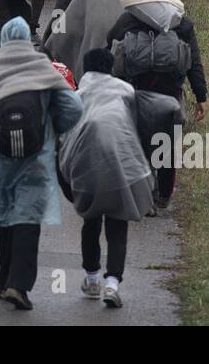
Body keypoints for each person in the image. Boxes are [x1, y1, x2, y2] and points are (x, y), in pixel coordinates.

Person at [0, 16, 82, 310]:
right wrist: (53, 127)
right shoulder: (42, 68)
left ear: (4, 38)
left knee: (3, 215)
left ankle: (4, 280)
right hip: (36, 157)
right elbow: (73, 108)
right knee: (28, 218)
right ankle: (18, 285)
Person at [57, 47, 153, 307]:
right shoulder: (127, 92)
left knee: (90, 223)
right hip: (123, 168)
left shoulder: (76, 97)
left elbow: (63, 141)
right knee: (118, 225)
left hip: (86, 170)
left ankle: (91, 278)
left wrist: (69, 186)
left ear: (86, 69)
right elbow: (141, 129)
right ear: (111, 68)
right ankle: (113, 284)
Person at [107, 0, 207, 209]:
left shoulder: (131, 17)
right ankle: (162, 194)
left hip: (137, 87)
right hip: (170, 90)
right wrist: (201, 96)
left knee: (138, 137)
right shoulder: (182, 22)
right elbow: (193, 59)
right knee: (166, 141)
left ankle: (139, 191)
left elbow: (110, 39)